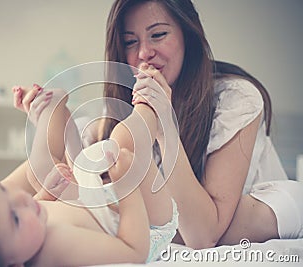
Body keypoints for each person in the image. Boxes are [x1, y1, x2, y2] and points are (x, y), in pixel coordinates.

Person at [96, 0, 303, 248]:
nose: (144, 53)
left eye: (158, 35)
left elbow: (202, 235)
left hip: (253, 218)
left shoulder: (236, 98)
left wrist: (166, 127)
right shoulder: (120, 109)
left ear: (188, 36)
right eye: (130, 41)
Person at [0, 85, 178, 266]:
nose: (22, 201)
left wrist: (46, 194)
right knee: (125, 141)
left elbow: (44, 208)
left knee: (48, 170)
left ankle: (57, 113)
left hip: (99, 205)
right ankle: (150, 104)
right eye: (14, 218)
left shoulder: (29, 230)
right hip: (145, 225)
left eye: (3, 191)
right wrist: (128, 187)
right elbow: (133, 251)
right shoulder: (55, 250)